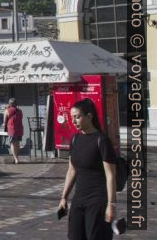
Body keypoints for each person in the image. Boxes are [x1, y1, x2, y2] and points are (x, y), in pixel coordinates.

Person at [58, 99, 117, 240]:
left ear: (89, 116)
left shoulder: (101, 140)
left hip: (97, 201)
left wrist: (111, 204)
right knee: (74, 236)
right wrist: (64, 197)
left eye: (77, 117)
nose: (74, 121)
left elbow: (111, 176)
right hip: (79, 199)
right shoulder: (74, 140)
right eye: (72, 117)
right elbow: (72, 170)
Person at [3, 98, 24, 164]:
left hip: (12, 129)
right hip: (19, 129)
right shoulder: (20, 111)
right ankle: (16, 158)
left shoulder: (7, 111)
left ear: (9, 104)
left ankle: (16, 159)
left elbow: (4, 121)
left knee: (12, 144)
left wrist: (7, 109)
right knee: (17, 144)